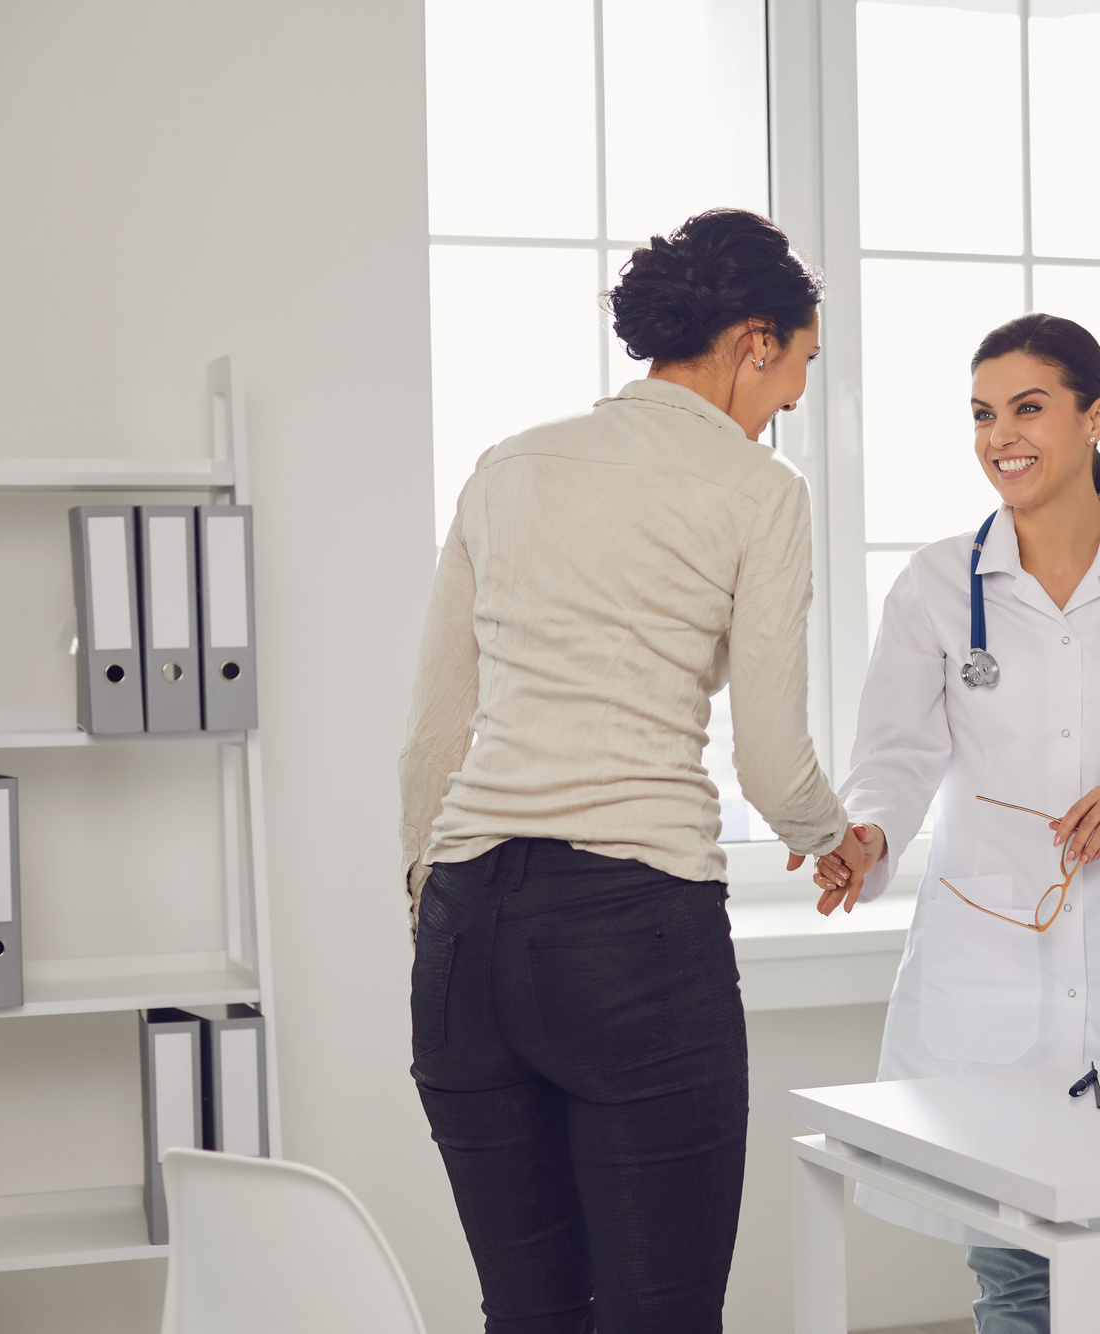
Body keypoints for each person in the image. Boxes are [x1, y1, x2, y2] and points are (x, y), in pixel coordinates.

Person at [398, 208, 869, 1334]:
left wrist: (434, 908)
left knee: (528, 1312)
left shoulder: (505, 467)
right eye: (799, 364)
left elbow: (431, 731)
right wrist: (828, 834)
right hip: (633, 935)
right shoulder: (761, 491)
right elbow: (767, 754)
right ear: (755, 340)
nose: (794, 400)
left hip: (464, 931)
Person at [811, 313, 1100, 1334]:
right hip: (989, 962)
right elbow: (894, 756)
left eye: (1027, 407)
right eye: (980, 413)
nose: (997, 434)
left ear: (1094, 417)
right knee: (1012, 1266)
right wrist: (868, 832)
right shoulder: (934, 583)